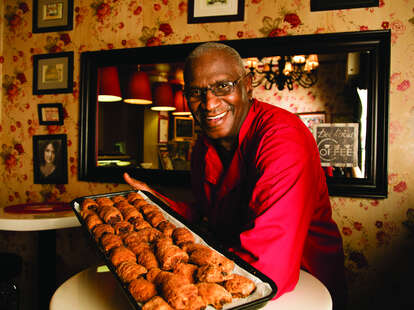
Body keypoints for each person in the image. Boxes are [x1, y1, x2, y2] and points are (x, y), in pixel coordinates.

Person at [124, 42, 347, 309]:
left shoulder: (284, 138)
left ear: (248, 84)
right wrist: (156, 202)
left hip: (300, 288)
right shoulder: (203, 147)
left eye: (222, 86)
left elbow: (268, 266)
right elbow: (209, 214)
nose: (209, 103)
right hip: (235, 275)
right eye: (196, 92)